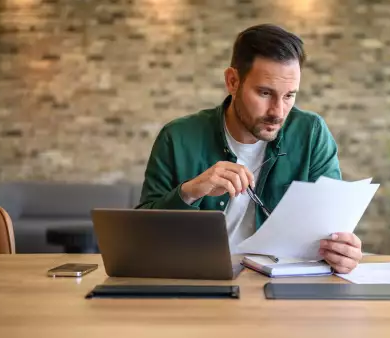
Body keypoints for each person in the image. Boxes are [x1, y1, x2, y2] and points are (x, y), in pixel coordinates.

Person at [136, 24, 362, 273]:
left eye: (289, 96)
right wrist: (190, 192)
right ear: (232, 81)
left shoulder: (312, 133)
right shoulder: (177, 137)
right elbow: (140, 235)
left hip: (285, 288)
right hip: (198, 280)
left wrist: (343, 252)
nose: (278, 112)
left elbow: (333, 226)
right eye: (265, 93)